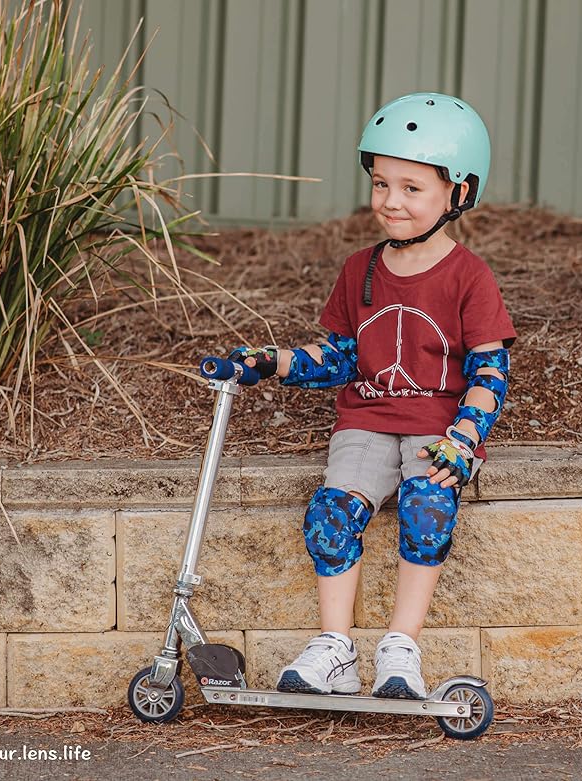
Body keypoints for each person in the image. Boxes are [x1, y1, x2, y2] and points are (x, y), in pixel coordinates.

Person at [229, 92, 516, 699]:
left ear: (459, 193)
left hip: (438, 427)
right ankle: (335, 649)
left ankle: (400, 648)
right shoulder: (360, 268)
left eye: (412, 188)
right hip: (366, 420)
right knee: (329, 517)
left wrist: (465, 437)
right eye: (382, 184)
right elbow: (339, 357)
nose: (390, 201)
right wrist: (271, 362)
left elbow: (490, 371)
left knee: (426, 508)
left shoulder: (469, 276)